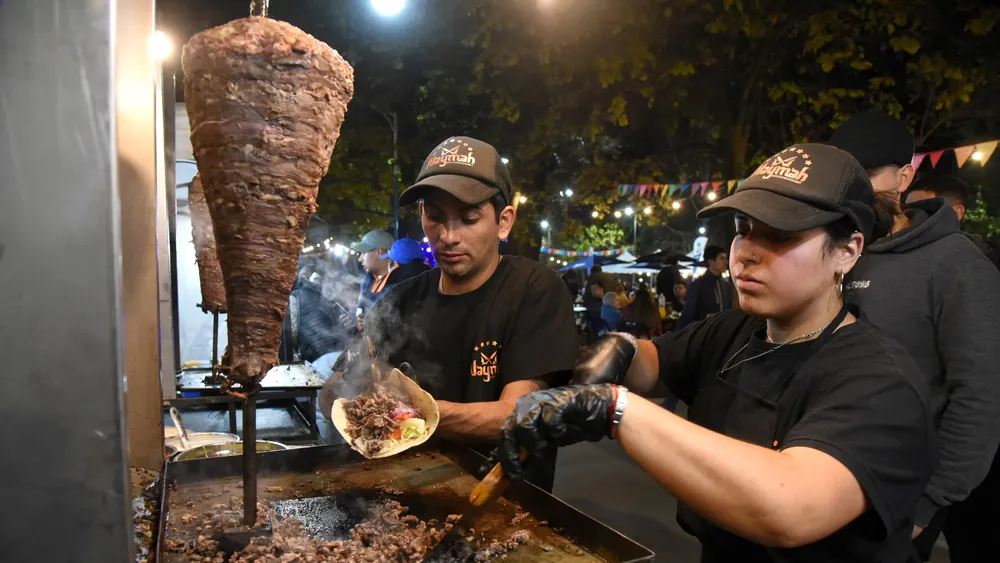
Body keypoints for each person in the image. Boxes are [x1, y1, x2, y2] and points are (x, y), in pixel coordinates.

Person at [494, 144, 935, 562]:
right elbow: (655, 363)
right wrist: (623, 348)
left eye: (780, 235)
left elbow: (790, 506)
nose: (745, 255)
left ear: (848, 250)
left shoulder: (882, 380)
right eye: (743, 231)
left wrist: (615, 409)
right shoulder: (733, 330)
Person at [321, 136, 578, 491]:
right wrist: (348, 397)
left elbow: (516, 414)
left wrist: (414, 414)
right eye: (435, 217)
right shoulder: (403, 298)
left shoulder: (534, 289)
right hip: (407, 492)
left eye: (469, 218)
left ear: (503, 223)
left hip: (504, 501)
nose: (448, 236)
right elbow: (337, 391)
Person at [831, 113, 1000, 562]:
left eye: (866, 175)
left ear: (905, 176)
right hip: (821, 477)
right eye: (844, 174)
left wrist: (928, 504)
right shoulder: (840, 249)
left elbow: (980, 397)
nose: (853, 187)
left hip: (899, 499)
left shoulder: (958, 267)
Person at [905, 173, 1000, 269]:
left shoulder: (988, 262)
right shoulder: (900, 255)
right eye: (907, 211)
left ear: (957, 212)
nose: (912, 217)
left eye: (925, 209)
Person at [344, 229, 395, 330]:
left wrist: (374, 323)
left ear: (379, 252)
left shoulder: (401, 284)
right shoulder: (367, 282)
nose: (360, 258)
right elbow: (361, 310)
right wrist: (353, 319)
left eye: (363, 253)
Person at [675, 245, 732, 329]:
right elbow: (688, 315)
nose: (726, 262)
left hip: (723, 334)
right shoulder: (698, 285)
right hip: (703, 335)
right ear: (711, 261)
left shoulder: (726, 286)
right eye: (722, 258)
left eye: (725, 259)